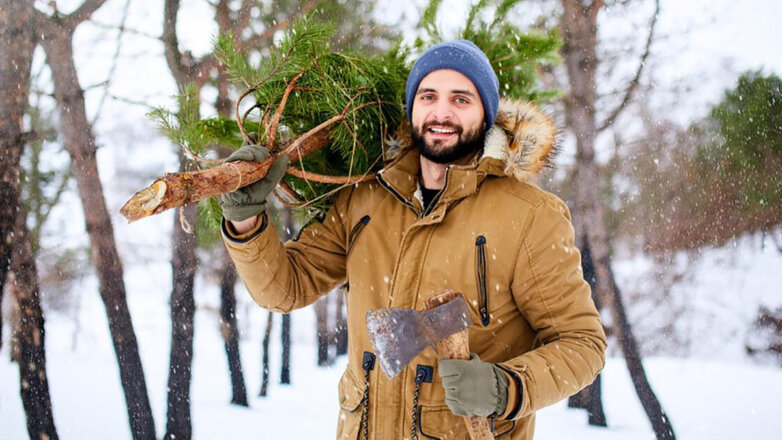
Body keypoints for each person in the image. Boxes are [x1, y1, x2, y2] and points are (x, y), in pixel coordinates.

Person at [220, 40, 606, 440]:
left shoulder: (528, 215)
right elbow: (284, 290)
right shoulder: (365, 198)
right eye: (428, 96)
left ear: (486, 114)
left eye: (461, 99)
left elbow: (582, 343)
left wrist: (506, 387)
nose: (442, 112)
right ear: (412, 107)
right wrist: (246, 221)